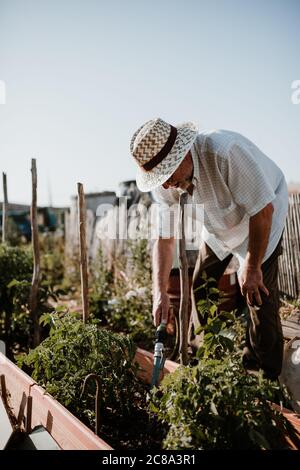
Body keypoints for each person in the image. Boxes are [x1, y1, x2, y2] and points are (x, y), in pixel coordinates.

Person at [130, 117, 289, 380]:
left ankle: (264, 379)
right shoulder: (167, 186)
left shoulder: (225, 153)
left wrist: (250, 266)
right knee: (201, 286)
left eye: (166, 175)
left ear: (181, 155)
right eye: (159, 179)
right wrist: (158, 291)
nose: (166, 185)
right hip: (220, 227)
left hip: (261, 220)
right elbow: (164, 239)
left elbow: (263, 211)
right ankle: (208, 363)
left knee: (259, 299)